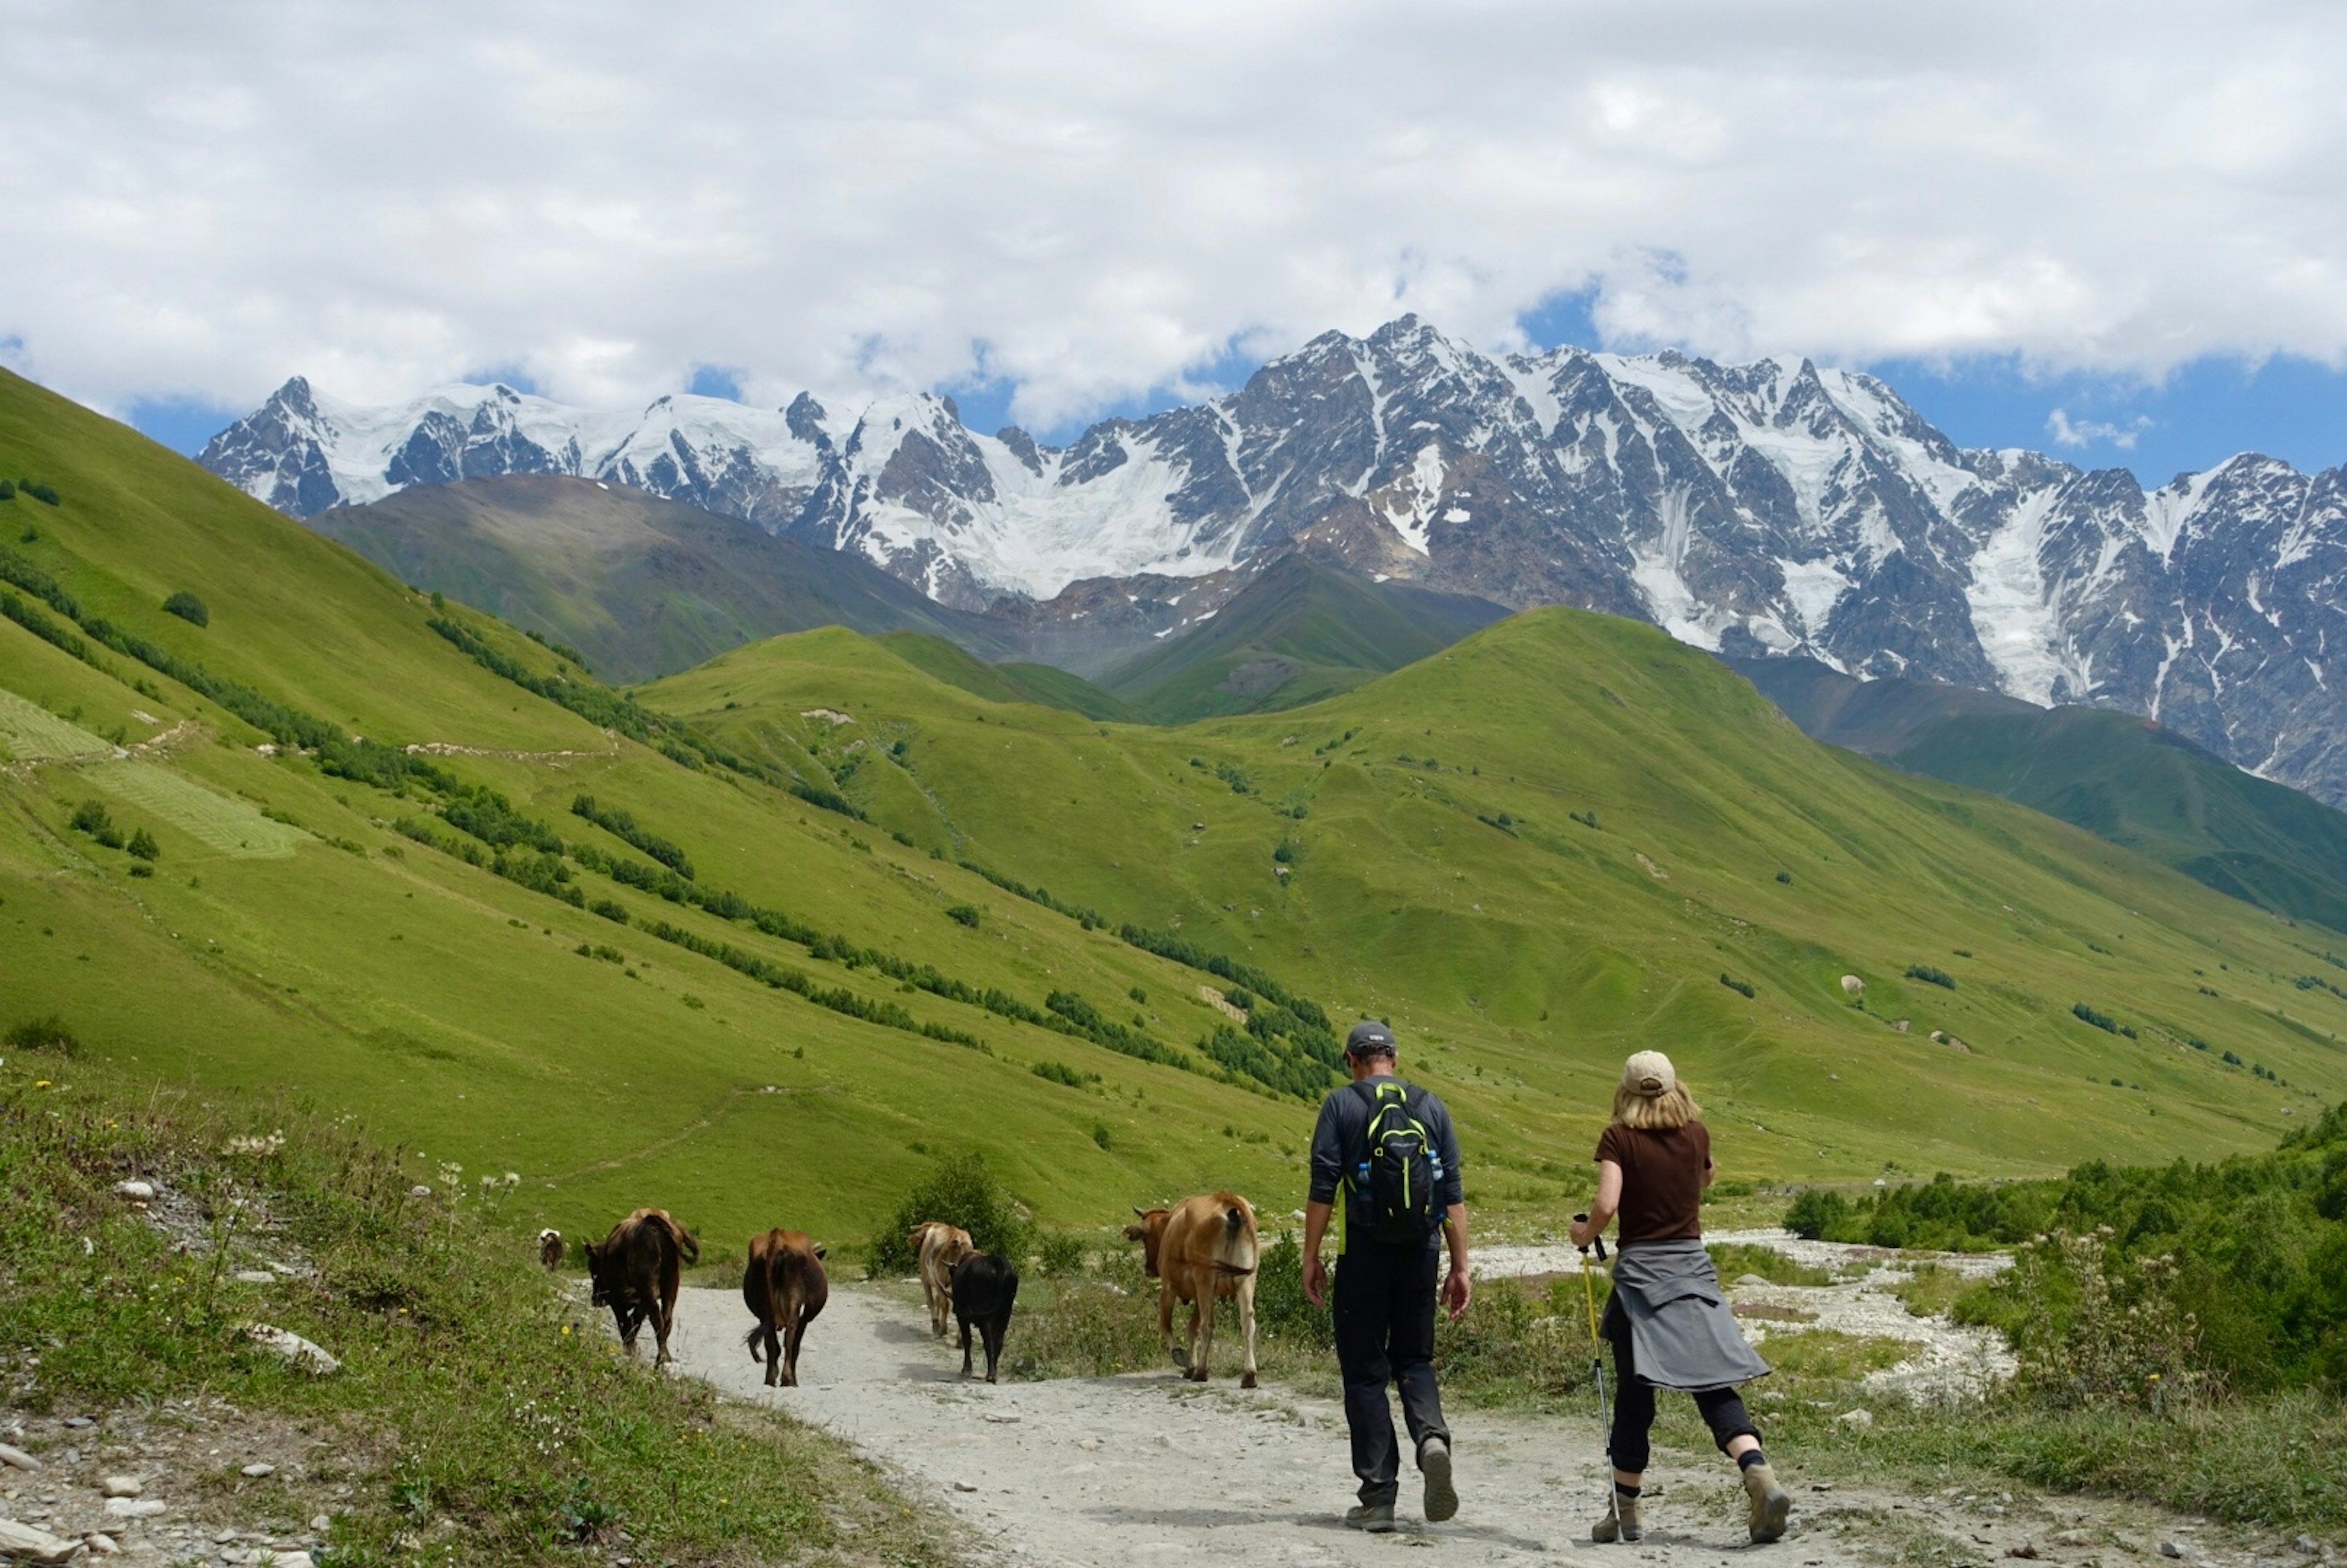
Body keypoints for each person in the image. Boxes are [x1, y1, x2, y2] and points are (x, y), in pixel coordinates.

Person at [1570, 1050, 1790, 1545]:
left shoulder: (1618, 1138)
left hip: (1643, 1281)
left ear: (1625, 1092)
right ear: (1675, 1089)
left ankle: (1625, 1513)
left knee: (1635, 1394)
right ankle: (1759, 1473)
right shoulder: (1697, 1134)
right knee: (1713, 1383)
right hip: (1693, 1271)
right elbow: (1706, 1176)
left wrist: (1584, 1234)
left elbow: (1606, 1203)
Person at [1302, 1020, 1472, 1533]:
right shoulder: (1430, 1105)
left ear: (1352, 1061)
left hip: (1365, 1255)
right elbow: (1453, 1195)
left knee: (1365, 1373)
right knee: (1415, 1359)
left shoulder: (1341, 1104)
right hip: (1421, 1253)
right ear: (1393, 1058)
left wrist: (1311, 1257)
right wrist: (1460, 1266)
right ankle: (1432, 1439)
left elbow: (1323, 1186)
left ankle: (1378, 1498)